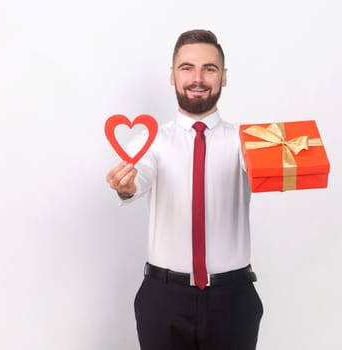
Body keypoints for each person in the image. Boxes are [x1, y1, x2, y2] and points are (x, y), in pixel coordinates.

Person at [106, 29, 263, 350]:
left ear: (224, 77)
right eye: (187, 67)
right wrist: (128, 185)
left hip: (233, 298)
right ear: (172, 75)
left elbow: (274, 168)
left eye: (209, 68)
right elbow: (141, 172)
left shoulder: (246, 141)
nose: (198, 78)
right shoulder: (152, 141)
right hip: (163, 298)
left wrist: (284, 168)